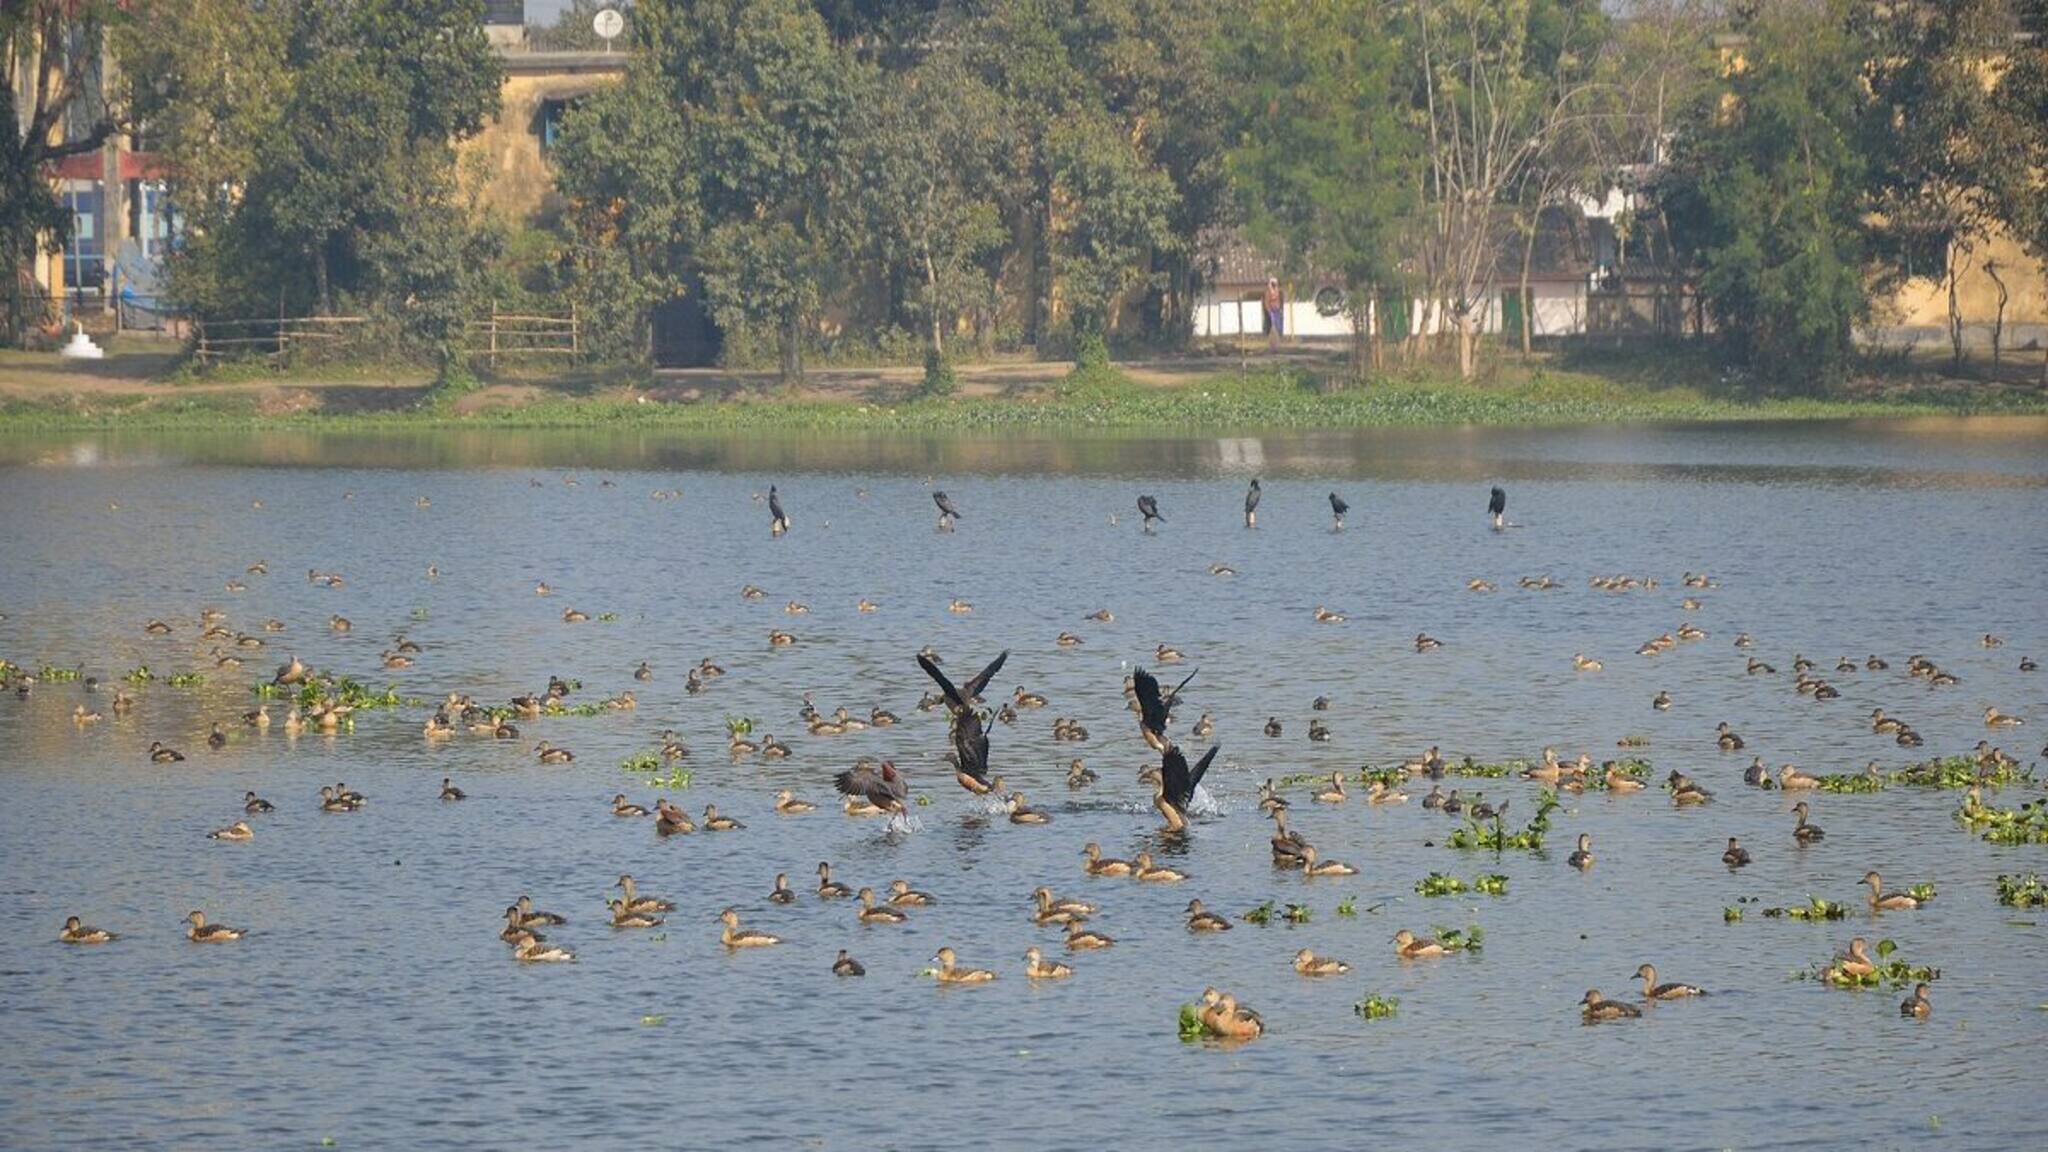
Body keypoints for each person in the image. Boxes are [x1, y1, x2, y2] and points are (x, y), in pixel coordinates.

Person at [1262, 277, 1284, 348]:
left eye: (1275, 284)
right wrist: (1269, 310)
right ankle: (1272, 342)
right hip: (1271, 310)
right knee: (1273, 324)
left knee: (1278, 325)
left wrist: (1280, 308)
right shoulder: (1268, 292)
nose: (1274, 285)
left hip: (1277, 310)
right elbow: (1266, 302)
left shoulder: (1278, 291)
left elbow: (1279, 300)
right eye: (1273, 284)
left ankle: (1278, 340)